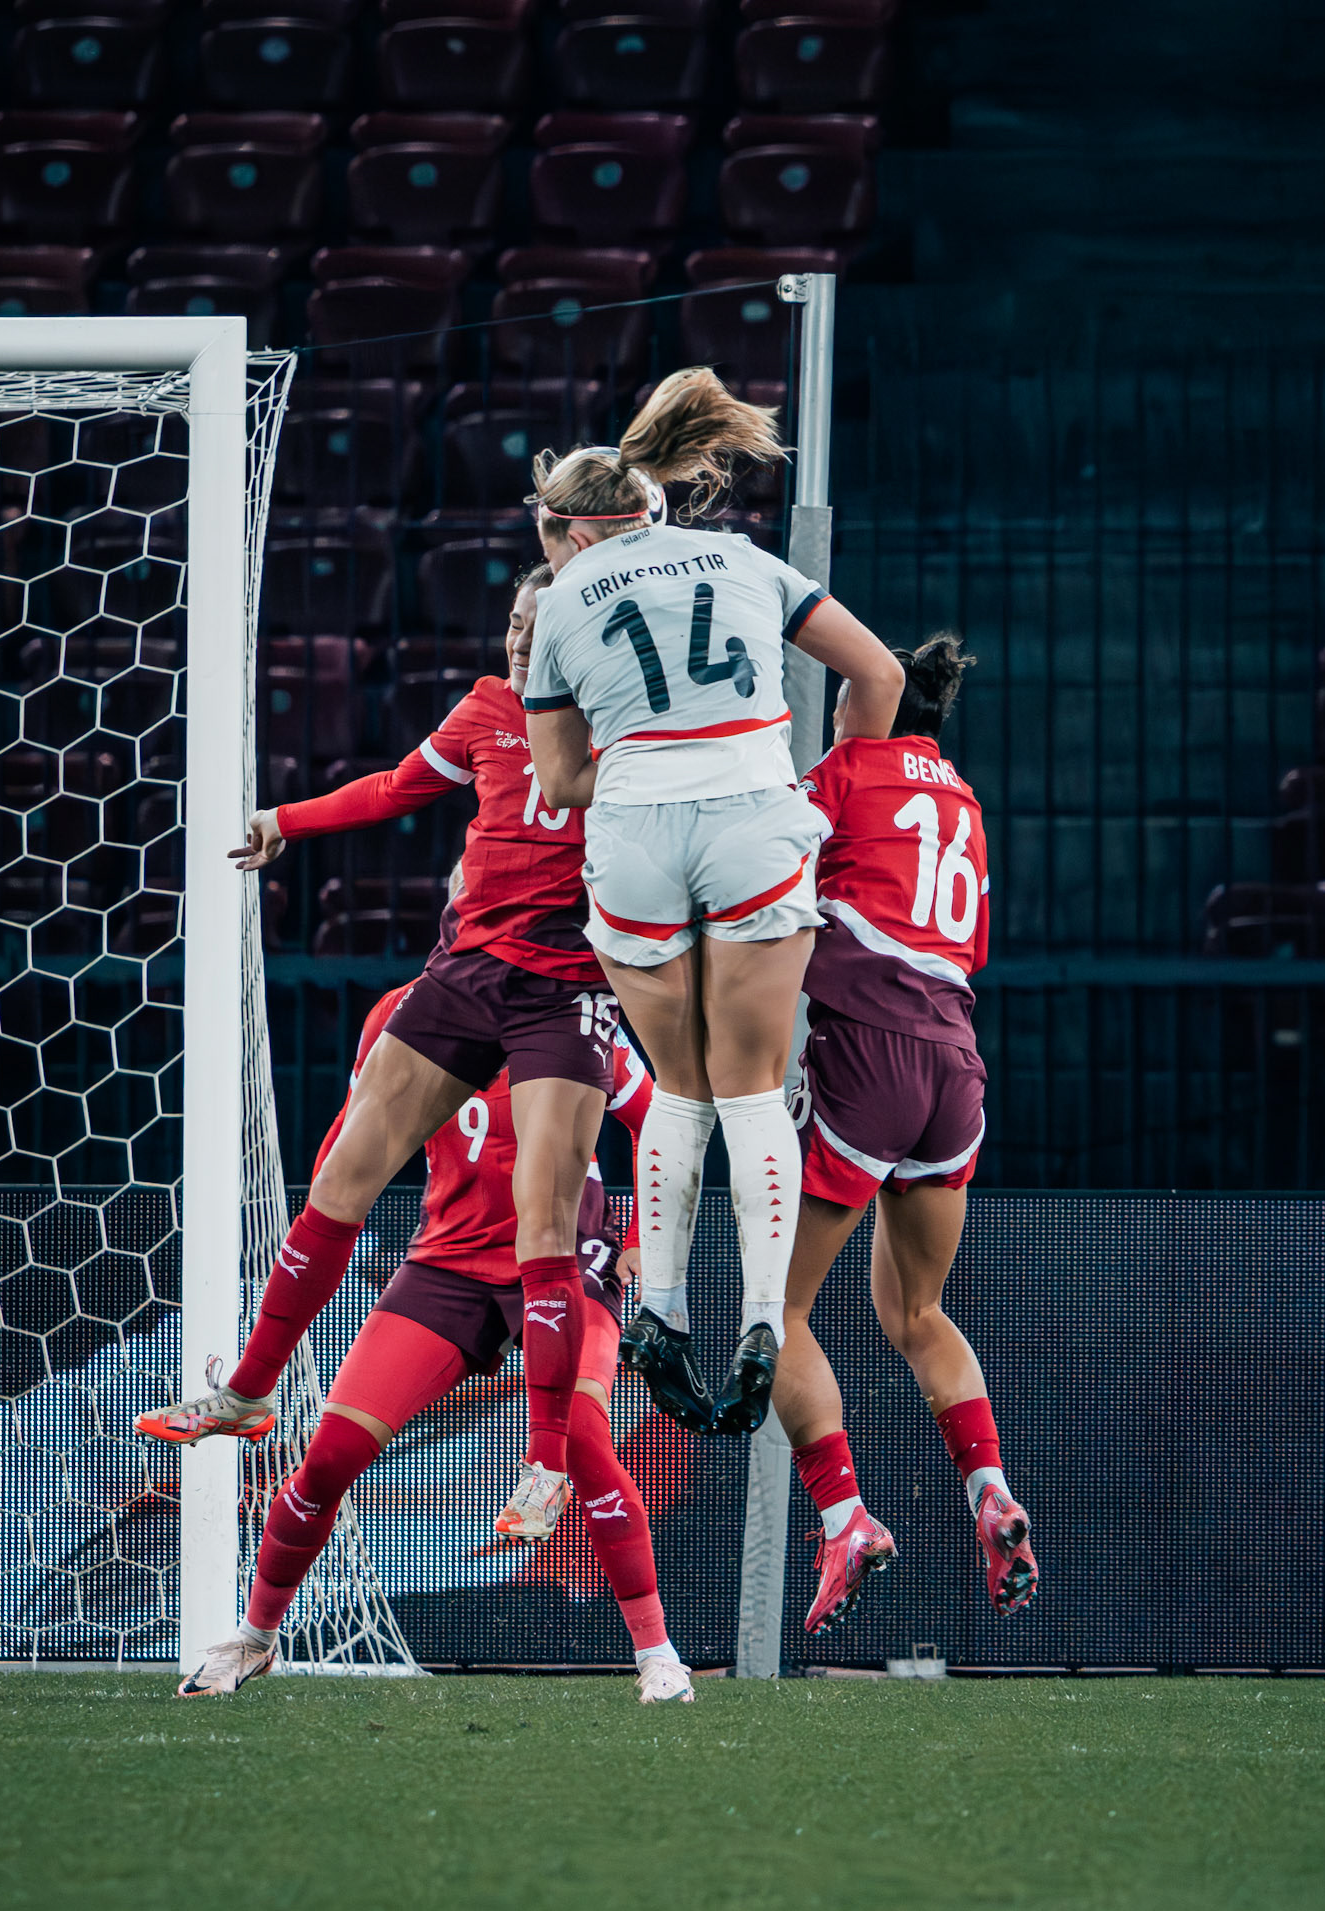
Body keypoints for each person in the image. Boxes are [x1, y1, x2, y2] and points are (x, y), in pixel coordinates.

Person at [140, 565, 622, 1543]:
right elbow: (398, 786)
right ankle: (244, 1390)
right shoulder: (487, 709)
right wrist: (286, 820)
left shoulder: (621, 725)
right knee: (344, 1169)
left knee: (545, 1216)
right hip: (467, 968)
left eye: (541, 627)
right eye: (513, 624)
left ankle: (543, 1464)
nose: (521, 641)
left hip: (564, 983)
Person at [521, 367, 905, 1439]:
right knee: (751, 1088)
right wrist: (825, 773)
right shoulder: (745, 560)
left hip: (637, 832)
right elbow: (875, 673)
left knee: (678, 1085)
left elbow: (556, 780)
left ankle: (660, 1307)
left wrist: (650, 755)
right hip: (752, 816)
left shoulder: (559, 602)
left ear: (573, 530)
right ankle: (760, 1324)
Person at [170, 992, 695, 1706]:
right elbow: (356, 1131)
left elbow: (655, 1120)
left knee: (585, 1446)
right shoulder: (406, 1012)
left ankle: (657, 1655)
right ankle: (255, 1639)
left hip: (571, 1257)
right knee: (329, 1458)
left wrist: (637, 1241)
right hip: (449, 1263)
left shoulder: (575, 1011)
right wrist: (324, 1207)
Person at [773, 637, 1038, 1634]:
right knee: (917, 1310)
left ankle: (845, 1518)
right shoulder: (964, 796)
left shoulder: (846, 770)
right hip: (955, 1066)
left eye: (845, 699)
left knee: (779, 1306)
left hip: (869, 1057)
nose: (839, 713)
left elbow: (766, 865)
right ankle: (990, 1494)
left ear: (872, 708)